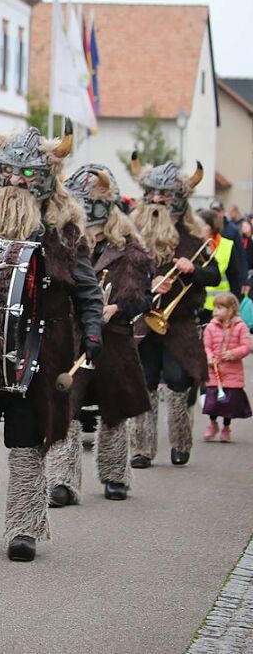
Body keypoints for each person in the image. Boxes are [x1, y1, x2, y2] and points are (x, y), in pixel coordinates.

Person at [0, 110, 104, 562]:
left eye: (28, 176)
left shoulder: (65, 233)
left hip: (40, 351)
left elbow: (88, 290)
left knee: (27, 438)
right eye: (9, 174)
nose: (17, 185)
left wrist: (91, 332)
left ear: (46, 181)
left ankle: (24, 526)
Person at [45, 165, 154, 505]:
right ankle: (62, 481)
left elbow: (144, 299)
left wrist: (117, 309)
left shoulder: (131, 250)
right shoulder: (65, 243)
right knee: (66, 407)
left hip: (116, 341)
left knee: (115, 410)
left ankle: (115, 476)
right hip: (71, 337)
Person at [128, 158, 220, 468]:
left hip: (179, 321)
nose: (156, 200)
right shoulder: (134, 235)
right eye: (152, 193)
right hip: (145, 318)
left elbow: (215, 276)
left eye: (163, 195)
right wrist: (148, 281)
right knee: (146, 381)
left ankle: (181, 442)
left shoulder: (194, 238)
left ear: (177, 199)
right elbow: (121, 273)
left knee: (180, 381)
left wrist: (193, 269)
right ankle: (142, 449)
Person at [202, 292, 252, 443]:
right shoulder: (210, 327)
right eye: (215, 308)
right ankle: (212, 423)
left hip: (232, 371)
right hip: (214, 371)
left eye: (220, 308)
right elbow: (206, 346)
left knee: (228, 404)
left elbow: (247, 346)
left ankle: (226, 427)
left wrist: (233, 353)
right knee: (212, 402)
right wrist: (209, 357)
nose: (215, 311)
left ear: (230, 310)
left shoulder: (241, 327)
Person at [199, 209, 246, 316]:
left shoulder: (227, 245)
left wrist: (234, 307)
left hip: (221, 307)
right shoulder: (193, 244)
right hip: (197, 304)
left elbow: (234, 278)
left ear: (210, 228)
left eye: (201, 224)